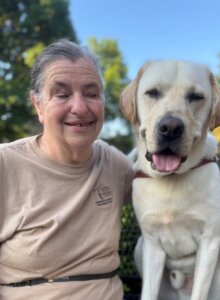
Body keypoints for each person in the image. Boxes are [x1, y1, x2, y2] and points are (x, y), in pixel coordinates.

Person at [0, 40, 135, 300]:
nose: (80, 107)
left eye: (91, 93)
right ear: (37, 104)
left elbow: (167, 187)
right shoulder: (6, 164)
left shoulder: (114, 163)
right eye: (62, 94)